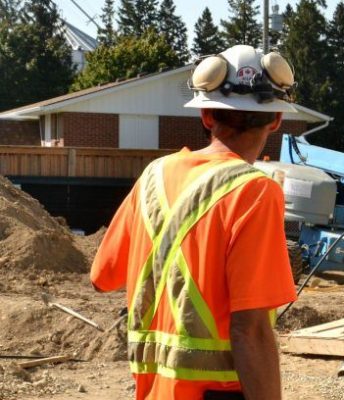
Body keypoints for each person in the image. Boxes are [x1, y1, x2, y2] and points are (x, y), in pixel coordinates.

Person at [90, 45, 299, 400]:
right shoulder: (256, 191)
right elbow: (250, 331)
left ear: (205, 115)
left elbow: (102, 277)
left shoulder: (153, 177)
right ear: (277, 119)